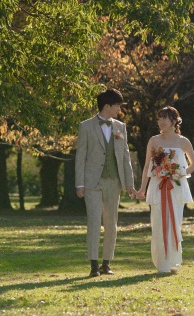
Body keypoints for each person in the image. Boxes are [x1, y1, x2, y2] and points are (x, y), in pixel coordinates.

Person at [75, 88, 136, 278]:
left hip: (114, 181)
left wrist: (129, 183)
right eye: (117, 106)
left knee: (112, 223)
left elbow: (125, 157)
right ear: (107, 106)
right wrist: (79, 184)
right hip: (92, 181)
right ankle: (93, 265)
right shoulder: (85, 126)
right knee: (94, 221)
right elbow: (80, 157)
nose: (119, 109)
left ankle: (106, 263)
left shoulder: (120, 127)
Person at [136, 106, 194, 274]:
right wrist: (142, 188)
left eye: (165, 118)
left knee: (174, 224)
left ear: (174, 121)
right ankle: (161, 264)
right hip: (158, 187)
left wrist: (179, 173)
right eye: (159, 118)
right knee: (158, 223)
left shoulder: (183, 141)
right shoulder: (154, 141)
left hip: (175, 188)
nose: (161, 122)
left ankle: (173, 262)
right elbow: (147, 166)